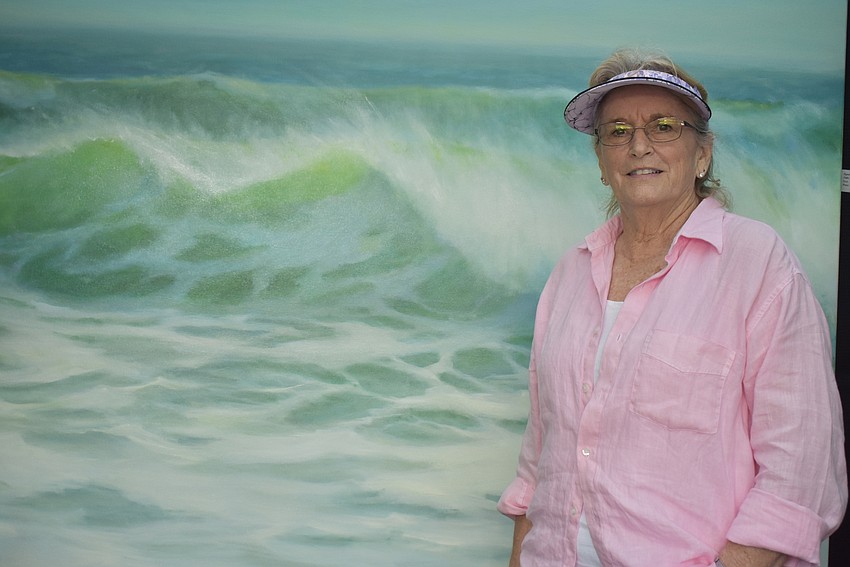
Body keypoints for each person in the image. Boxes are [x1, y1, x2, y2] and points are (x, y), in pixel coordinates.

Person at [498, 48, 848, 567]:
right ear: (601, 161)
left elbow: (801, 468)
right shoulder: (571, 273)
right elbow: (541, 455)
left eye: (663, 126)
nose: (639, 146)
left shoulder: (757, 264)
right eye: (616, 131)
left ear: (702, 154)